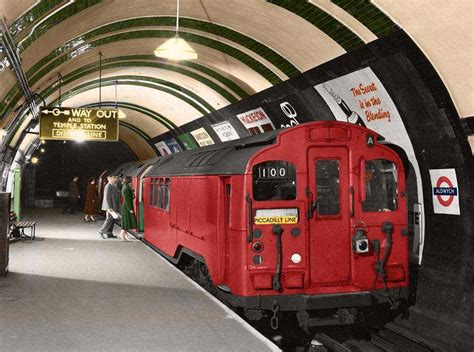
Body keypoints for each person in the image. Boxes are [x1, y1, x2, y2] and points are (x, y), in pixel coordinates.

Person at [119, 176, 137, 241]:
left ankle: (126, 236)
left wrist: (133, 195)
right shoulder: (126, 188)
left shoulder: (126, 187)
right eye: (131, 181)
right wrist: (130, 209)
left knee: (127, 222)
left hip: (126, 206)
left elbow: (129, 198)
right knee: (126, 222)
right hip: (127, 207)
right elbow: (127, 200)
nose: (132, 182)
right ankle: (122, 234)